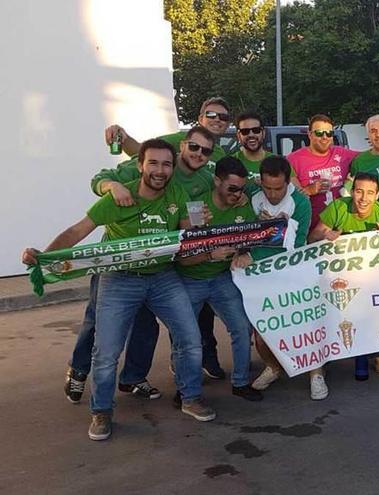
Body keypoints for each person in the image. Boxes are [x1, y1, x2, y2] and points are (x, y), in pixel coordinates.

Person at [22, 139, 216, 441]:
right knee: (106, 351)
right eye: (153, 163)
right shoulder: (118, 197)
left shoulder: (176, 193)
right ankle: (101, 412)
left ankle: (190, 397)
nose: (160, 170)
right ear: (140, 165)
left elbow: (185, 241)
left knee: (190, 338)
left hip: (163, 276)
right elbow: (77, 231)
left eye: (166, 164)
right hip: (119, 279)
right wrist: (43, 256)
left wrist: (203, 237)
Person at [63, 126, 221, 404]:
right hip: (119, 263)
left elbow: (193, 222)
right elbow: (98, 184)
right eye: (194, 147)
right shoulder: (139, 173)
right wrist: (112, 186)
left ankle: (133, 377)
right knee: (96, 324)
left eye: (205, 151)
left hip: (160, 270)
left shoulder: (204, 179)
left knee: (147, 326)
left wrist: (201, 224)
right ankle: (78, 371)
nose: (199, 154)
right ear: (182, 147)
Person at [175, 156, 262, 402]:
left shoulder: (243, 206)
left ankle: (241, 382)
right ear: (216, 181)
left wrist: (245, 252)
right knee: (186, 338)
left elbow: (252, 240)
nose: (237, 194)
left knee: (242, 328)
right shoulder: (197, 209)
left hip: (223, 278)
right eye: (232, 188)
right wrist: (209, 254)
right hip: (190, 279)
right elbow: (181, 257)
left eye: (241, 189)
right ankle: (184, 390)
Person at [247, 156, 327, 400]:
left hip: (293, 270)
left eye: (278, 188)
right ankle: (273, 367)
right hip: (260, 275)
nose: (272, 194)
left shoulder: (300, 202)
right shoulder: (250, 194)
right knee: (261, 329)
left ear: (288, 182)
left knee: (305, 323)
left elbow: (296, 243)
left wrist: (267, 231)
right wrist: (268, 233)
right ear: (259, 181)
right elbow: (245, 234)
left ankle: (316, 373)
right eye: (267, 188)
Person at [309, 172, 379, 379]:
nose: (363, 198)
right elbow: (311, 240)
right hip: (340, 278)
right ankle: (333, 356)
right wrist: (326, 236)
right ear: (352, 192)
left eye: (370, 193)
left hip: (370, 279)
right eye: (359, 191)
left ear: (377, 196)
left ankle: (375, 354)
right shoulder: (339, 207)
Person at [287, 114, 360, 230]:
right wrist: (310, 190)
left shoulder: (341, 153)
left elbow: (370, 156)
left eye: (329, 133)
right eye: (319, 133)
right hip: (311, 230)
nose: (325, 137)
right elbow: (290, 199)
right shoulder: (293, 160)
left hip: (341, 228)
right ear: (309, 134)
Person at [104, 96, 231, 161]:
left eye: (223, 117)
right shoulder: (181, 139)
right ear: (200, 119)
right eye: (211, 115)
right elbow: (139, 150)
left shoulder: (220, 153)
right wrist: (121, 134)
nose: (217, 119)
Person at [231, 111, 274, 183]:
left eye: (256, 130)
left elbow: (294, 191)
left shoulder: (278, 163)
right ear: (238, 135)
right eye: (245, 131)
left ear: (263, 133)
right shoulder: (230, 164)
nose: (251, 135)